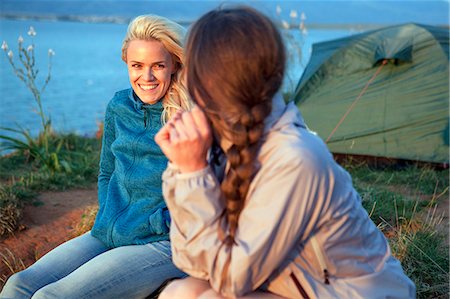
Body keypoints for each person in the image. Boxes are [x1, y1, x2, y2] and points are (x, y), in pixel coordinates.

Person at [155, 6, 416, 299]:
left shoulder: (295, 157)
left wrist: (192, 174)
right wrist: (185, 168)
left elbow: (229, 280)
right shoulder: (222, 145)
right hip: (297, 286)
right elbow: (194, 264)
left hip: (355, 294)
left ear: (205, 83)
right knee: (181, 291)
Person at [1, 14, 190, 299]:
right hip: (110, 232)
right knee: (18, 285)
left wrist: (159, 223)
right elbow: (106, 171)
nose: (146, 77)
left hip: (163, 242)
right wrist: (109, 212)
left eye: (158, 66)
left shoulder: (190, 116)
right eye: (137, 66)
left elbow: (206, 186)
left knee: (50, 297)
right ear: (126, 62)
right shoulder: (119, 105)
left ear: (174, 64)